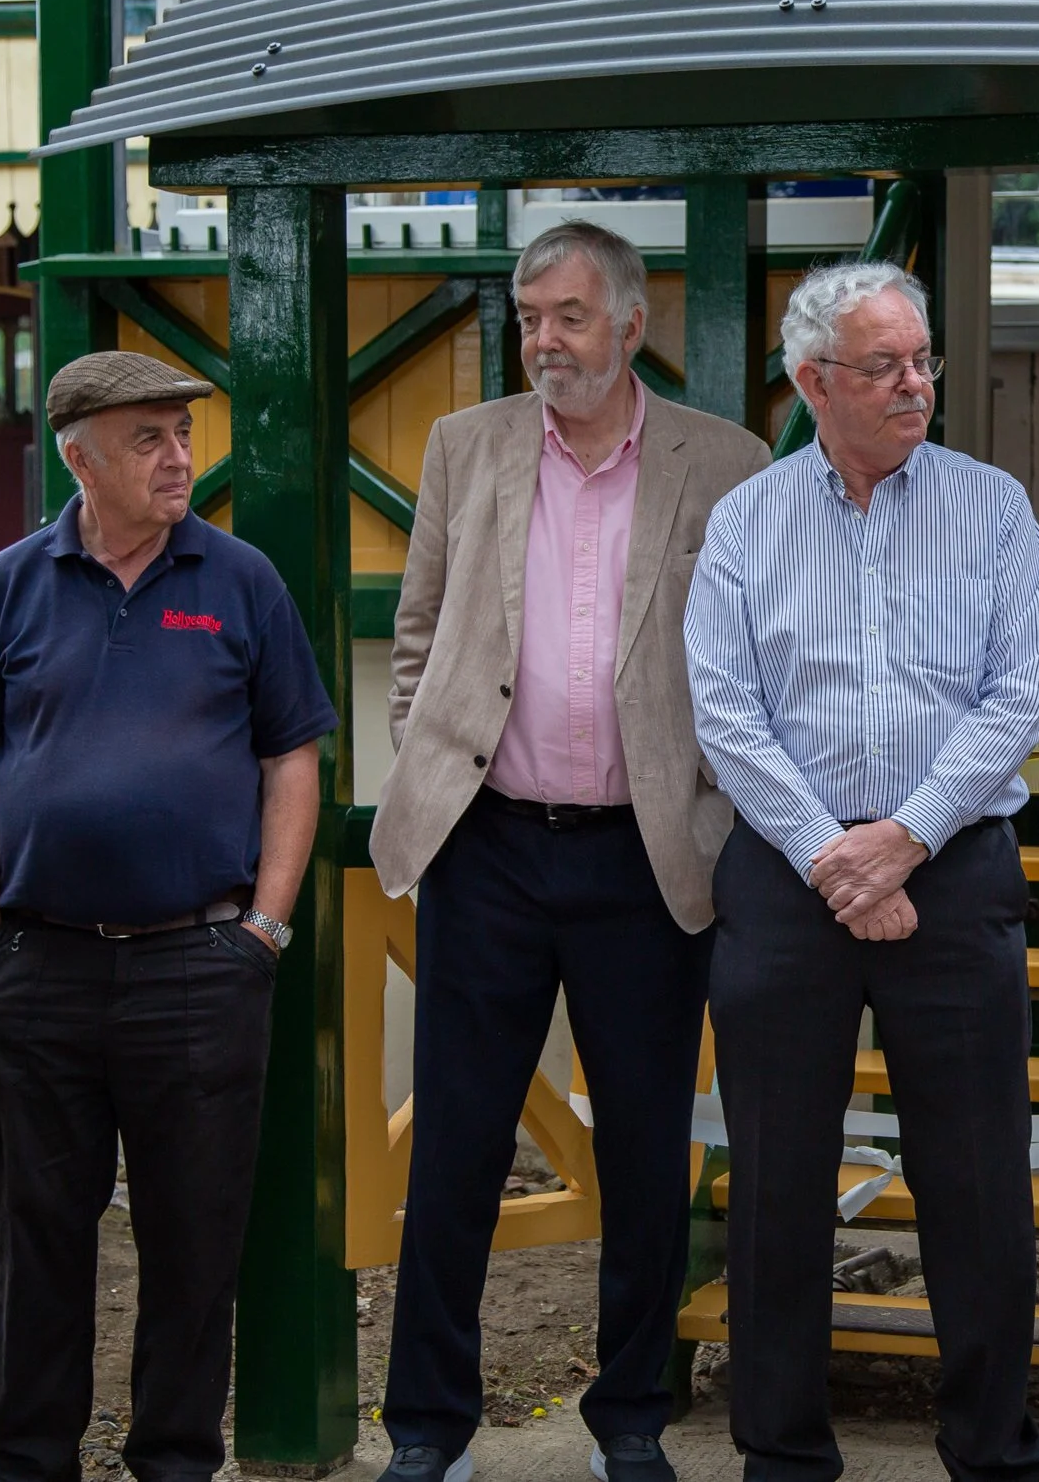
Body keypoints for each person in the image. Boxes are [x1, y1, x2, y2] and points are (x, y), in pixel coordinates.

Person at [367, 220, 771, 1482]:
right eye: (529, 316)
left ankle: (631, 1418)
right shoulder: (465, 444)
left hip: (646, 858)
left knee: (645, 1149)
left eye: (569, 315)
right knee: (457, 1146)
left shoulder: (727, 462)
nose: (544, 339)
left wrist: (710, 813)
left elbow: (754, 655)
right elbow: (420, 628)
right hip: (487, 846)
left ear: (631, 324)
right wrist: (432, 757)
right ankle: (428, 1426)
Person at [0, 350, 338, 1482]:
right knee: (38, 1247)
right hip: (38, 971)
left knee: (195, 1252)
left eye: (182, 433)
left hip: (197, 969)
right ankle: (30, 1463)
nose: (178, 457)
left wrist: (262, 930)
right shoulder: (7, 586)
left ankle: (174, 1462)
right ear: (80, 458)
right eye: (148, 438)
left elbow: (292, 761)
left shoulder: (241, 580)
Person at [685, 261, 1039, 1482]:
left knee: (977, 1181)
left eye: (921, 359)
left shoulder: (992, 506)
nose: (915, 384)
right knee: (775, 1182)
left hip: (952, 868)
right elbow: (724, 710)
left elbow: (1018, 693)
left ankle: (991, 1453)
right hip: (786, 876)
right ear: (812, 381)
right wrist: (827, 851)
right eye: (884, 365)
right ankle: (783, 1455)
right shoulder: (748, 520)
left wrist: (905, 836)